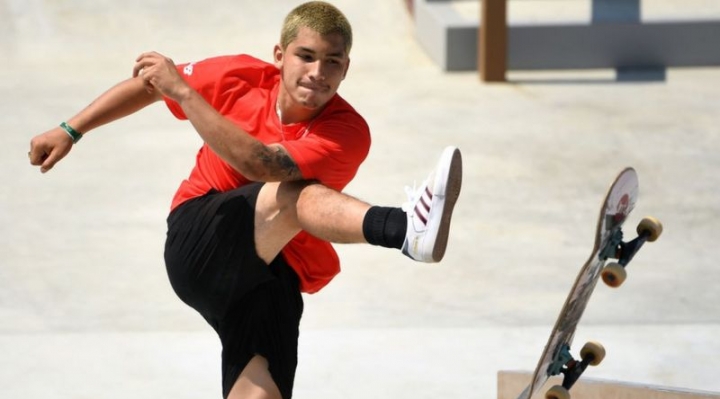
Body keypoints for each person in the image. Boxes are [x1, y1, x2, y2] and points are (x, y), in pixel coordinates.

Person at [27, 2, 462, 398]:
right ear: (279, 56)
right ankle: (405, 230)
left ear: (346, 69)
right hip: (201, 239)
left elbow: (262, 163)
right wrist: (70, 130)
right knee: (293, 196)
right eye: (306, 56)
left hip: (272, 274)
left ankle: (409, 233)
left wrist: (185, 93)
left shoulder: (347, 132)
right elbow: (149, 86)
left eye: (332, 62)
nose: (317, 72)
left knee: (261, 393)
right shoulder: (239, 75)